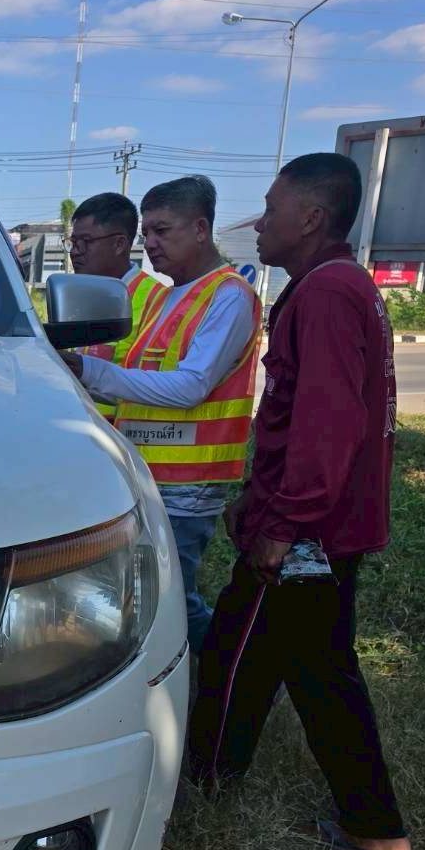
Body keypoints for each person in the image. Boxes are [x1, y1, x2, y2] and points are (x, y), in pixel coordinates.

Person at [188, 153, 411, 850]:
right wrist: (257, 500)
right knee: (266, 654)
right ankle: (216, 777)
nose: (259, 223)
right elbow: (304, 420)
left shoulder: (325, 294)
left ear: (311, 218)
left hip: (308, 533)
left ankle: (372, 829)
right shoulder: (338, 285)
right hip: (314, 524)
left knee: (277, 665)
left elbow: (325, 428)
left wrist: (281, 524)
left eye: (271, 208)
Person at [61, 176, 260, 653]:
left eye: (162, 231)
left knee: (169, 597)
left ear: (200, 229)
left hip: (187, 482)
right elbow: (139, 382)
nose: (149, 243)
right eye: (147, 231)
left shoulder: (228, 296)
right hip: (148, 471)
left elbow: (191, 386)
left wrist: (91, 371)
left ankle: (232, 664)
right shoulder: (170, 296)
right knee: (144, 592)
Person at [68, 192, 171, 420]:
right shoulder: (78, 295)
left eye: (85, 242)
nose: (75, 251)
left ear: (119, 244)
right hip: (78, 426)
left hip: (119, 435)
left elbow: (154, 386)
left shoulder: (158, 301)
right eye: (73, 242)